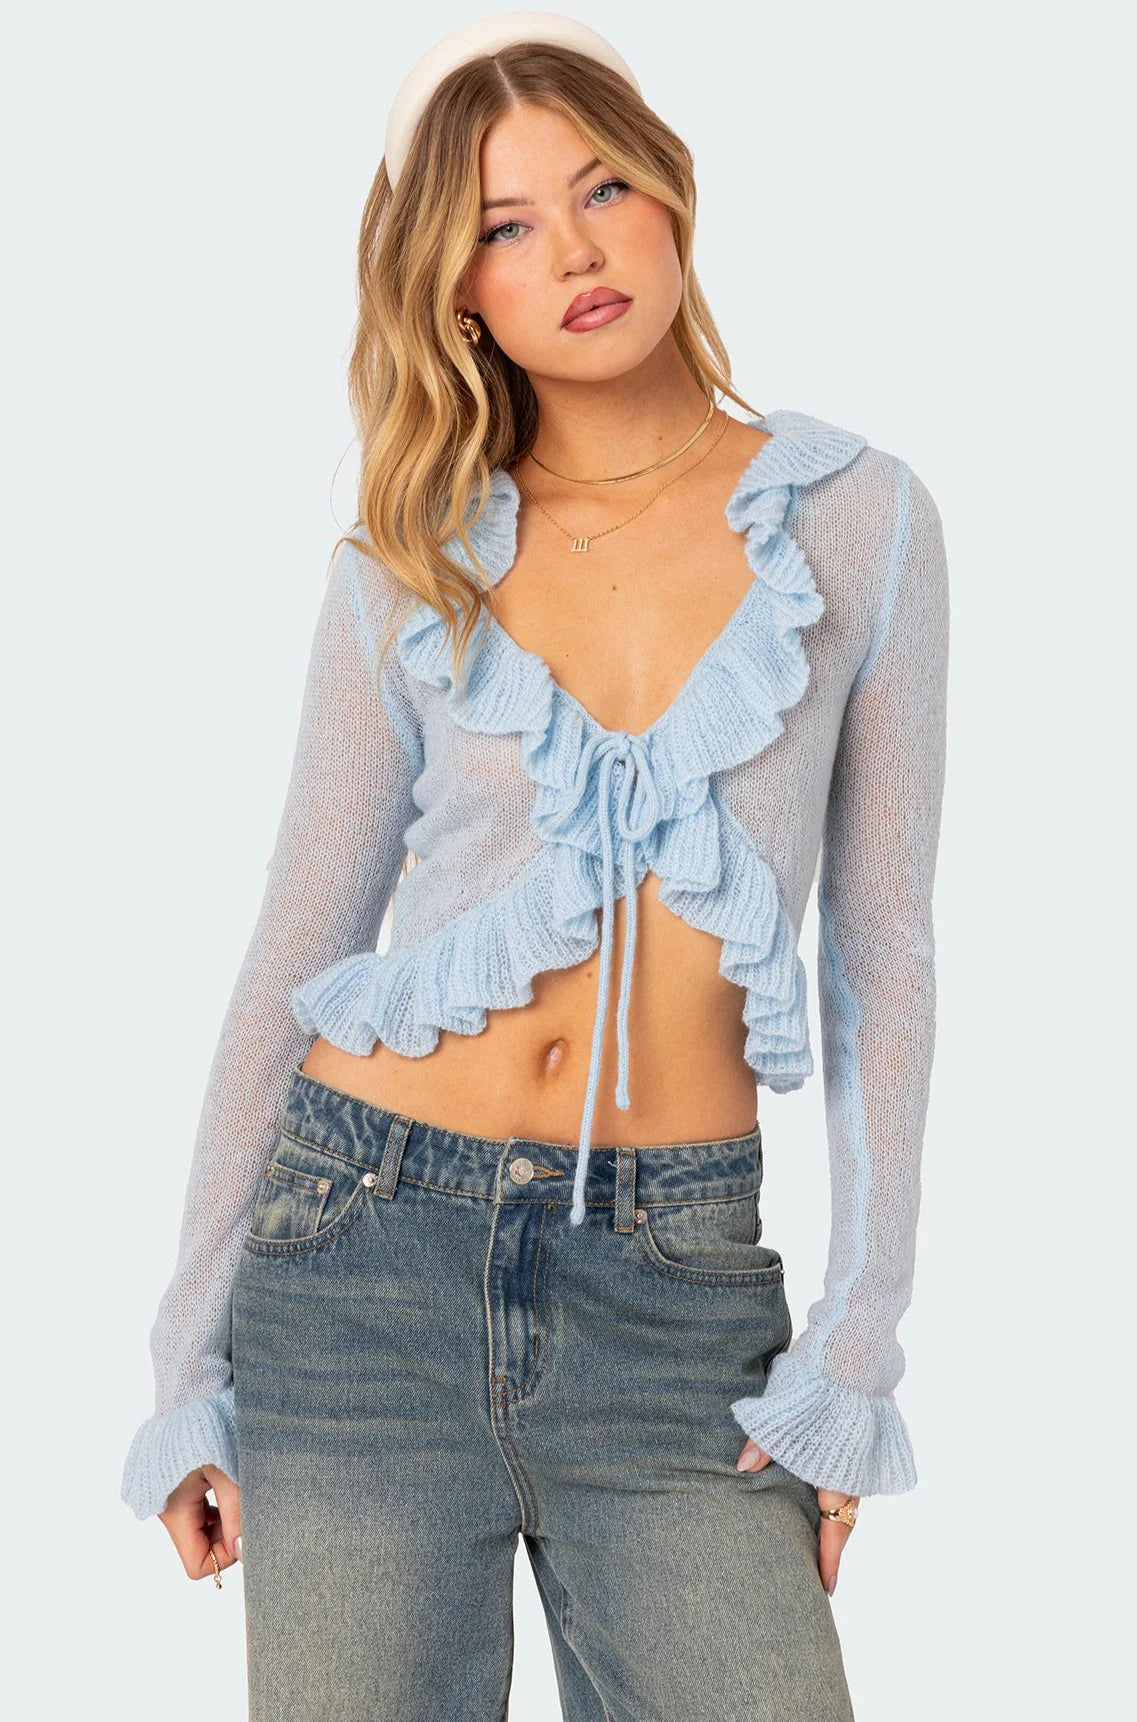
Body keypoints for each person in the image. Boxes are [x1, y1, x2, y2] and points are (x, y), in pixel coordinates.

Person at [121, 13, 949, 1720]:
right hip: (358, 1259)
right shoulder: (408, 556)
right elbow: (295, 943)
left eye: (600, 189)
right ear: (455, 291)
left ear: (671, 196)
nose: (572, 250)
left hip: (675, 1290)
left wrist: (851, 1350)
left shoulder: (858, 519)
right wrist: (185, 1361)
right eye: (505, 224)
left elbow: (881, 953)